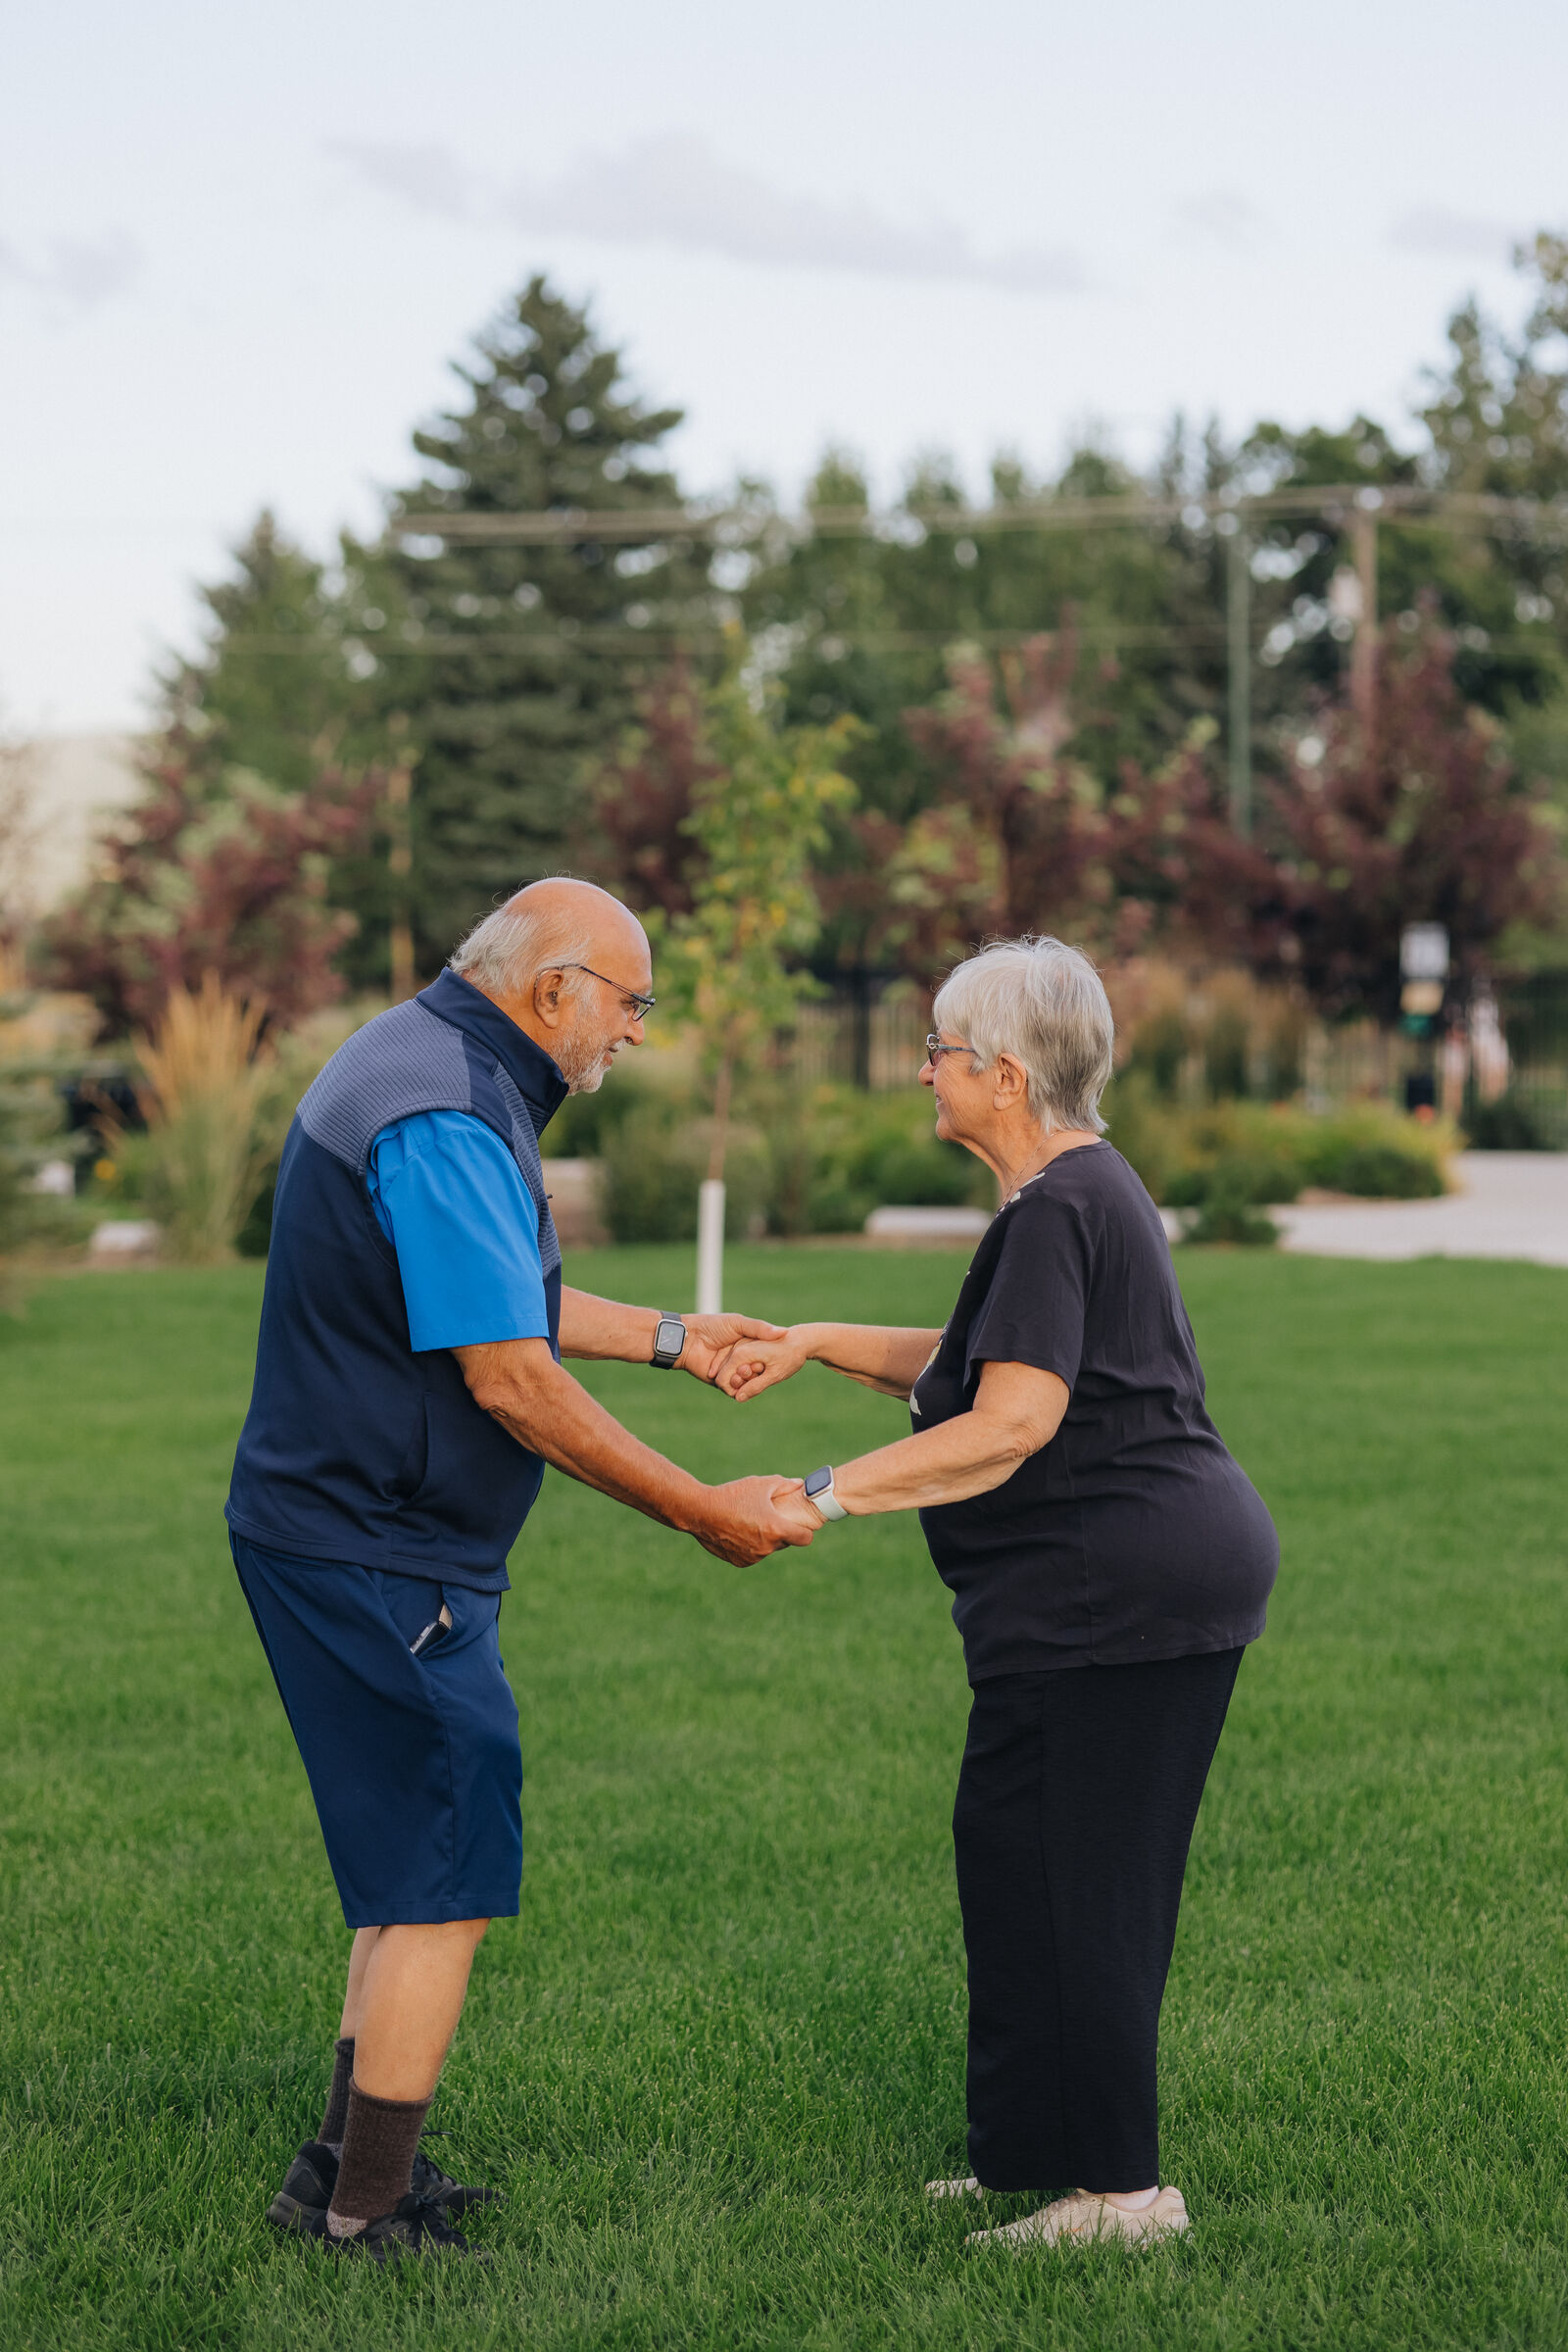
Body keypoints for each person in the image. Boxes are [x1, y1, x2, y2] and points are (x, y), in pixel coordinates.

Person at [225, 877, 812, 2262]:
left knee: (407, 1863)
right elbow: (508, 1375)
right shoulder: (442, 1106)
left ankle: (335, 2177)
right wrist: (702, 1510)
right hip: (376, 1546)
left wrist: (673, 1336)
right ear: (555, 990)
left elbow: (495, 1288)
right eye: (632, 1001)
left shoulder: (430, 1058)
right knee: (446, 1872)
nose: (637, 1032)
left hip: (347, 1531)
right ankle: (369, 2217)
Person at [718, 936, 1278, 2251]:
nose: (926, 1070)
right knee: (1016, 1862)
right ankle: (1033, 2155)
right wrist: (814, 1341)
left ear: (1008, 1077)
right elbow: (982, 1359)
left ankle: (1123, 2197)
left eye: (941, 1051)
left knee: (1085, 1886)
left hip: (1119, 1602)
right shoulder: (1074, 1194)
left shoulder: (1059, 1207)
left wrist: (820, 1493)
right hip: (1108, 1593)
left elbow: (1012, 1420)